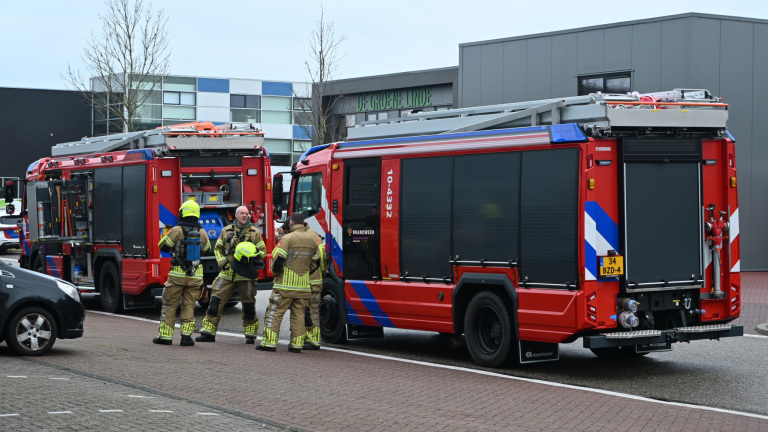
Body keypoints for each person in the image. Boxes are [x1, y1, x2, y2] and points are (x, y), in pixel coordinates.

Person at [196, 206, 266, 344]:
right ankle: (208, 332)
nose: (245, 216)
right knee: (215, 300)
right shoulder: (226, 230)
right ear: (236, 215)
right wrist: (223, 263)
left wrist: (255, 256)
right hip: (228, 273)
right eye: (242, 213)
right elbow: (218, 249)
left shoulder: (255, 232)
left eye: (246, 214)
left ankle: (250, 335)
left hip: (246, 275)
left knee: (249, 305)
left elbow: (263, 251)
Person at [257, 212, 321, 353]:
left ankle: (269, 343)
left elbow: (278, 259)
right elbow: (317, 261)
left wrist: (275, 273)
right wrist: (306, 273)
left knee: (275, 313)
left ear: (291, 223)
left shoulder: (287, 239)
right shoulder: (313, 239)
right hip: (303, 287)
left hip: (284, 286)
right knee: (299, 316)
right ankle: (296, 345)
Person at [153, 200, 211, 346]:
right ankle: (186, 338)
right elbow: (207, 250)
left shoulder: (177, 230)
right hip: (195, 276)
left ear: (182, 213)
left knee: (170, 305)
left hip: (177, 275)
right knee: (189, 306)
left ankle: (165, 337)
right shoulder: (202, 232)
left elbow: (163, 247)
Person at [303, 227, 327, 350]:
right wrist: (322, 271)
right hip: (316, 281)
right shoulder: (316, 237)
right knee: (315, 312)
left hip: (304, 282)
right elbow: (322, 257)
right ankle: (315, 339)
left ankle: (308, 339)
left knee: (304, 311)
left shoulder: (300, 237)